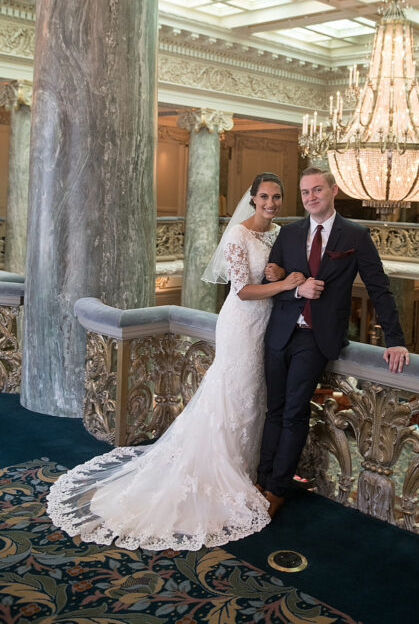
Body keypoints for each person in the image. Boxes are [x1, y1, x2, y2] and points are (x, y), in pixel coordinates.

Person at [46, 173, 305, 550]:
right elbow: (243, 290)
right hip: (242, 322)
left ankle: (249, 468)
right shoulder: (237, 235)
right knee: (234, 391)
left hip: (268, 324)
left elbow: (275, 267)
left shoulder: (277, 232)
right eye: (264, 196)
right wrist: (285, 284)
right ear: (252, 198)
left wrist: (279, 273)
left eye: (276, 197)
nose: (271, 202)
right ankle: (219, 469)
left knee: (255, 395)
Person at [256, 166, 409, 518]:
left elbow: (379, 288)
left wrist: (395, 339)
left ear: (333, 190)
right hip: (279, 331)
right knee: (273, 410)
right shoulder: (290, 232)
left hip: (316, 337)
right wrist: (285, 279)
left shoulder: (354, 235)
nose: (310, 197)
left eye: (317, 190)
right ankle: (260, 479)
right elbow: (275, 272)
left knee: (294, 413)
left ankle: (276, 489)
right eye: (305, 191)